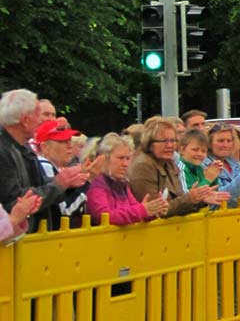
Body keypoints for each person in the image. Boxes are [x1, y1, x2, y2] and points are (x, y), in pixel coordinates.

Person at [0, 89, 88, 233]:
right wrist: (58, 184)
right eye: (38, 114)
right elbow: (15, 200)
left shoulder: (23, 146)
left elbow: (36, 184)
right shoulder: (4, 151)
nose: (43, 121)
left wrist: (67, 184)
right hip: (15, 244)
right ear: (25, 119)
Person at [128, 116, 227, 216]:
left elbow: (179, 200)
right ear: (150, 142)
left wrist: (200, 199)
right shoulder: (143, 166)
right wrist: (191, 198)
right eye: (164, 141)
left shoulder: (168, 162)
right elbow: (158, 211)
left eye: (173, 141)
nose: (170, 145)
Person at [87, 133, 169, 225]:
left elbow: (136, 211)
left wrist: (155, 210)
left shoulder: (122, 184)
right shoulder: (97, 186)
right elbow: (104, 217)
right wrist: (143, 210)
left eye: (128, 158)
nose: (125, 164)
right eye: (120, 158)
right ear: (104, 158)